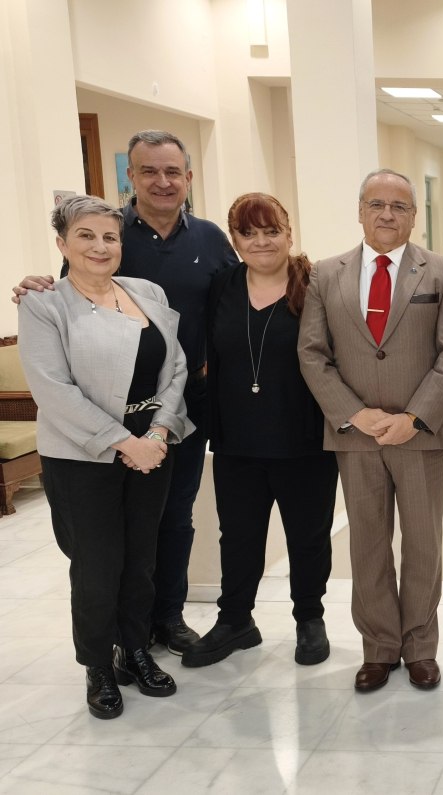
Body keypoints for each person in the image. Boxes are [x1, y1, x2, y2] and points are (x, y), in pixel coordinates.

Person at [13, 130, 239, 655]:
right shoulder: (110, 231)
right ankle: (118, 638)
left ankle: (167, 618)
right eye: (149, 171)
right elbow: (69, 301)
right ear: (130, 177)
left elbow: (236, 301)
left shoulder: (209, 239)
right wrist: (32, 284)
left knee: (173, 518)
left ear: (188, 178)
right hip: (101, 415)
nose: (162, 181)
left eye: (172, 171)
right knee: (106, 540)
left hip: (178, 405)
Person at [19, 195, 194, 719]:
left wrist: (158, 432)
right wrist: (125, 442)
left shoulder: (147, 292)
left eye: (110, 237)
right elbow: (53, 390)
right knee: (97, 566)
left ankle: (134, 651)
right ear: (62, 244)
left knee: (141, 559)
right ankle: (98, 665)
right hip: (84, 454)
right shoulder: (45, 304)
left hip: (152, 447)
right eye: (86, 235)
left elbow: (176, 368)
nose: (100, 246)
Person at [299, 168, 443, 693]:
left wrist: (413, 417)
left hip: (421, 434)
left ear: (414, 216)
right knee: (368, 544)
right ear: (360, 211)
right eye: (377, 204)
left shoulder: (441, 272)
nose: (387, 214)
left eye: (399, 206)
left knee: (423, 544)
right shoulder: (325, 274)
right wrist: (355, 414)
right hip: (356, 436)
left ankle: (419, 647)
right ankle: (378, 648)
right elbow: (312, 354)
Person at [182, 193, 338, 669]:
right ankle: (236, 621)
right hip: (236, 439)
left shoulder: (316, 285)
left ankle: (309, 619)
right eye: (248, 233)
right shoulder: (221, 286)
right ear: (234, 240)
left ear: (289, 233)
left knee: (308, 537)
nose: (261, 241)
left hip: (305, 438)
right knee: (239, 536)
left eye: (272, 231)